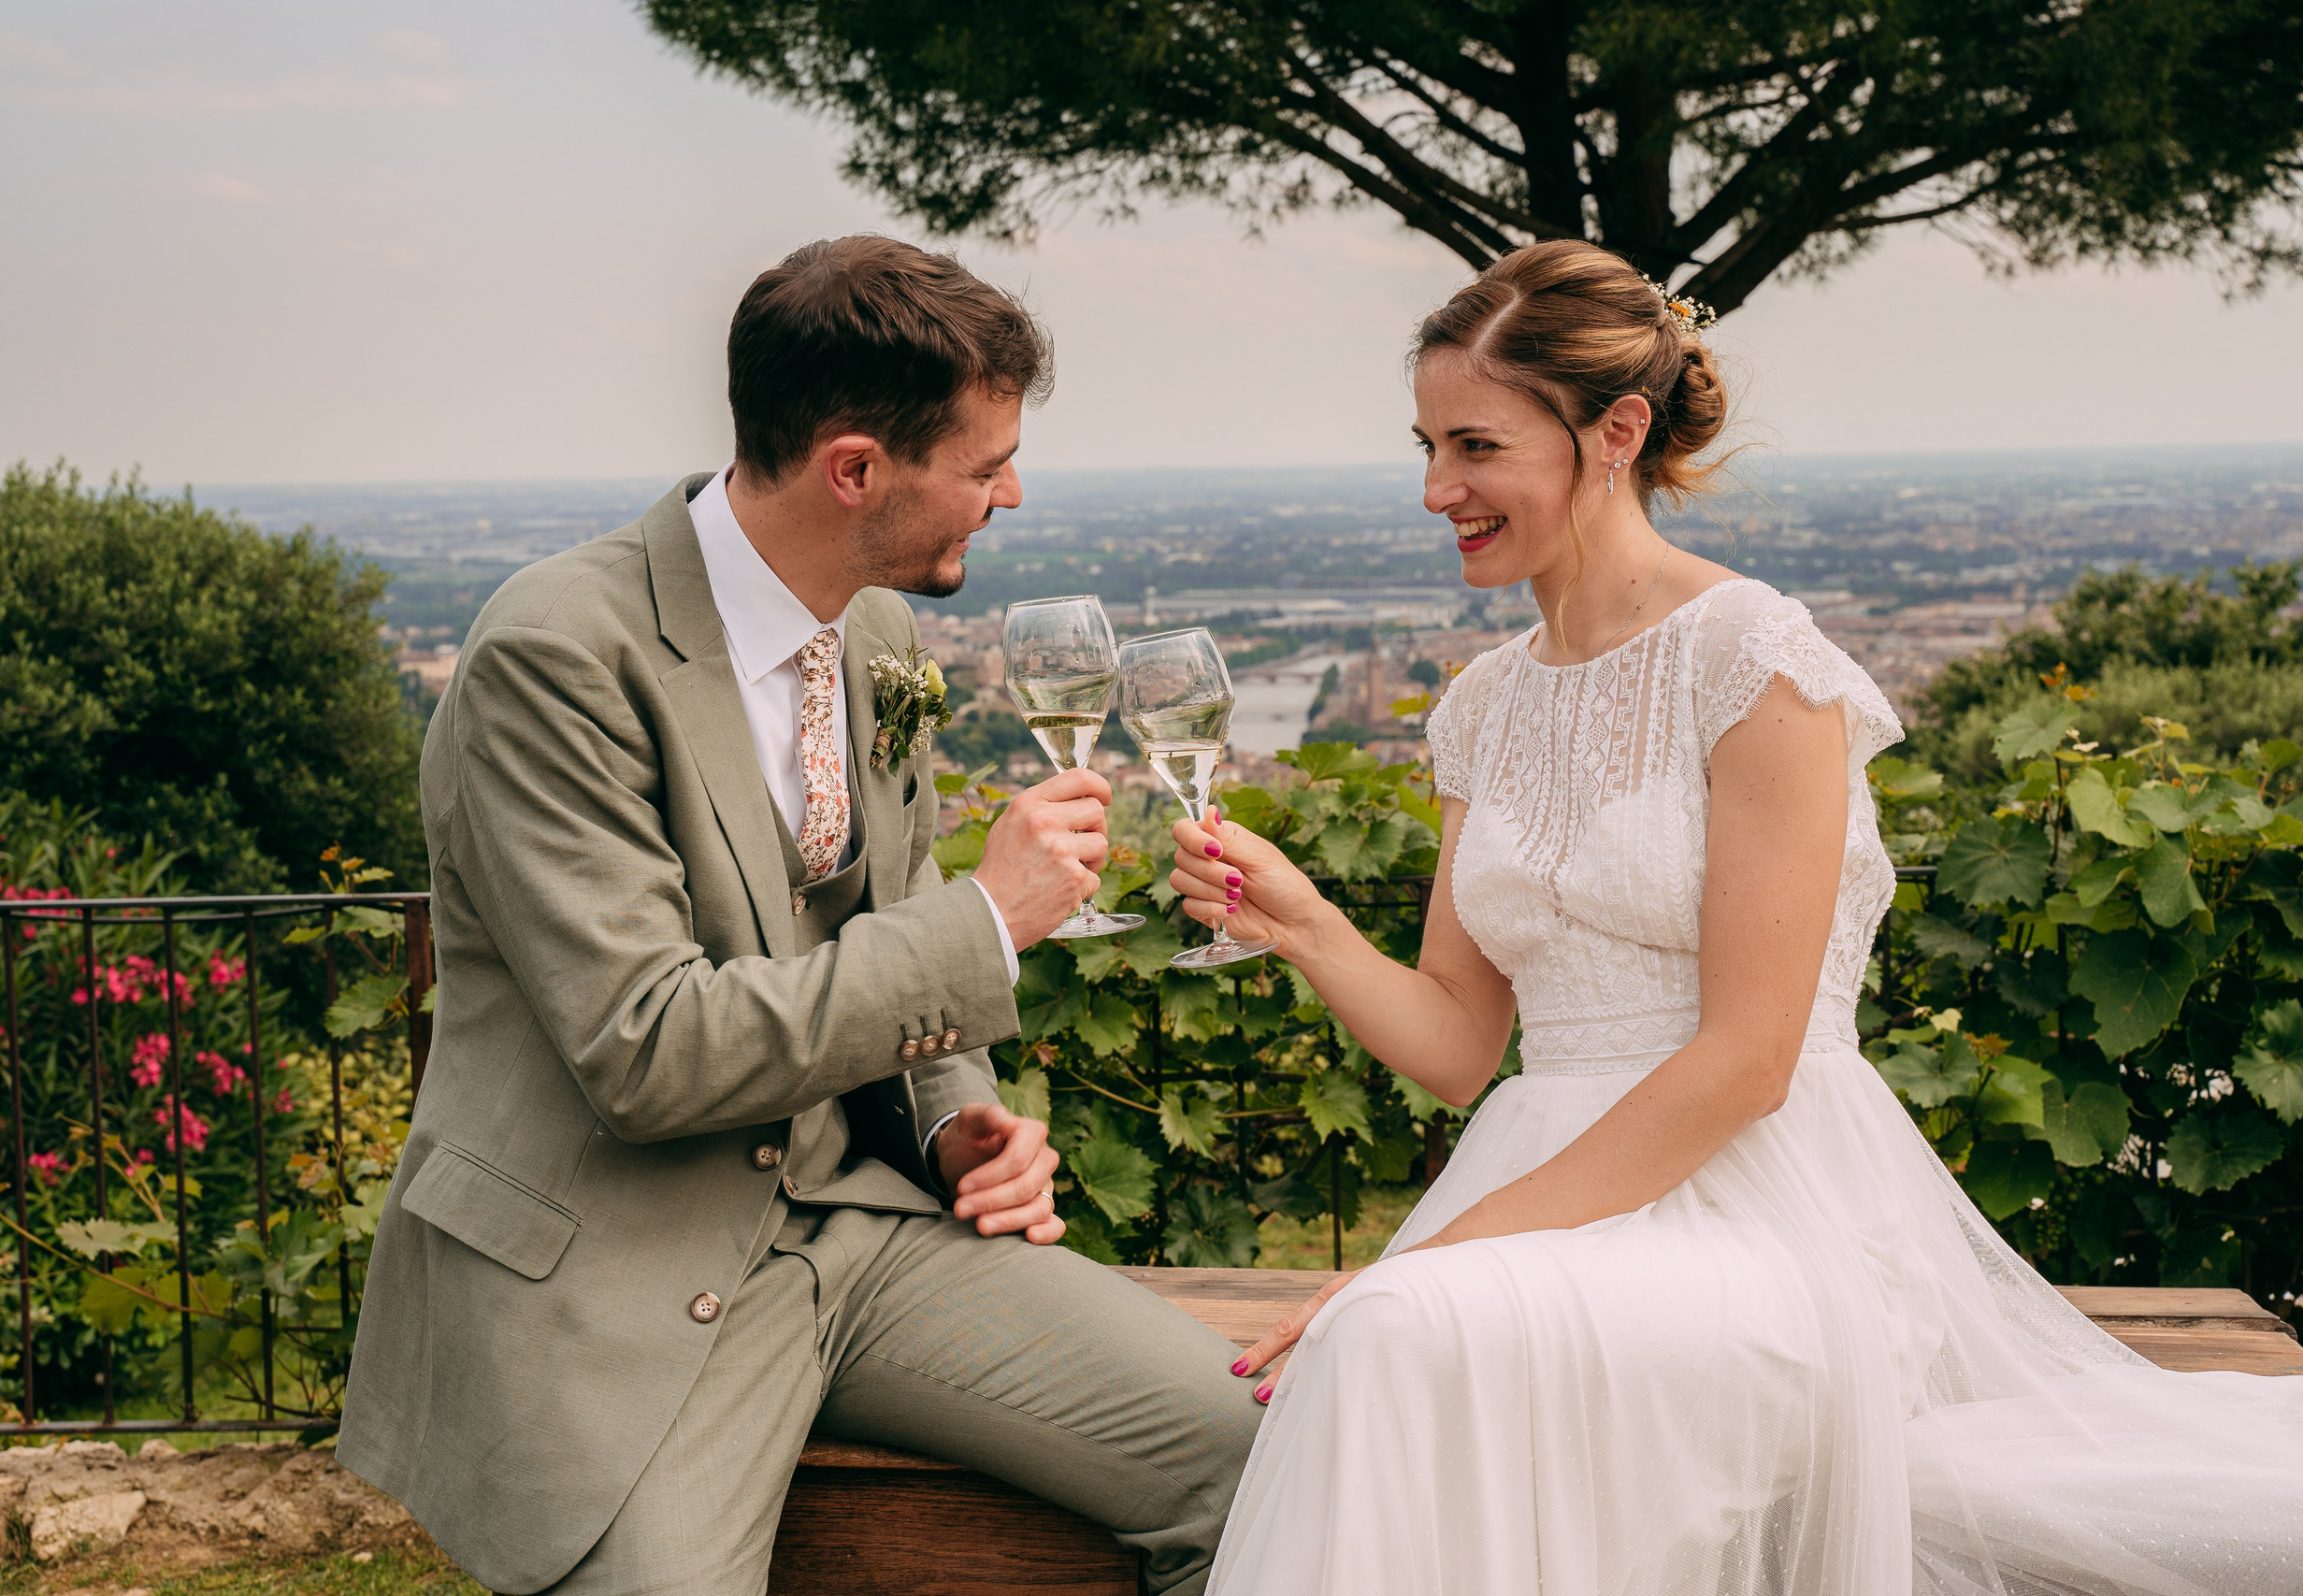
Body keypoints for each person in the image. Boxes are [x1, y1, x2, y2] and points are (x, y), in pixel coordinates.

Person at [1170, 239, 2303, 1594]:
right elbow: (1465, 1042)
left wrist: (1435, 1259)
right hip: (1540, 1193)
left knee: (1398, 1333)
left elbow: (1749, 1059)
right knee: (1400, 1344)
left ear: (1616, 432)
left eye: (1474, 444)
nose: (1436, 490)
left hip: (1764, 1216)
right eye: (1424, 444)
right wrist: (1305, 928)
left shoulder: (1754, 659)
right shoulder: (1481, 706)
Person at [337, 235, 1260, 1596]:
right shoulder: (556, 656)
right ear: (855, 469)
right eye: (986, 462)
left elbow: (872, 927)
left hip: (855, 1229)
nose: (1011, 491)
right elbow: (647, 1052)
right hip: (615, 1275)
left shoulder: (876, 640)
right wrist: (989, 923)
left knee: (1256, 1449)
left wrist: (956, 1121)